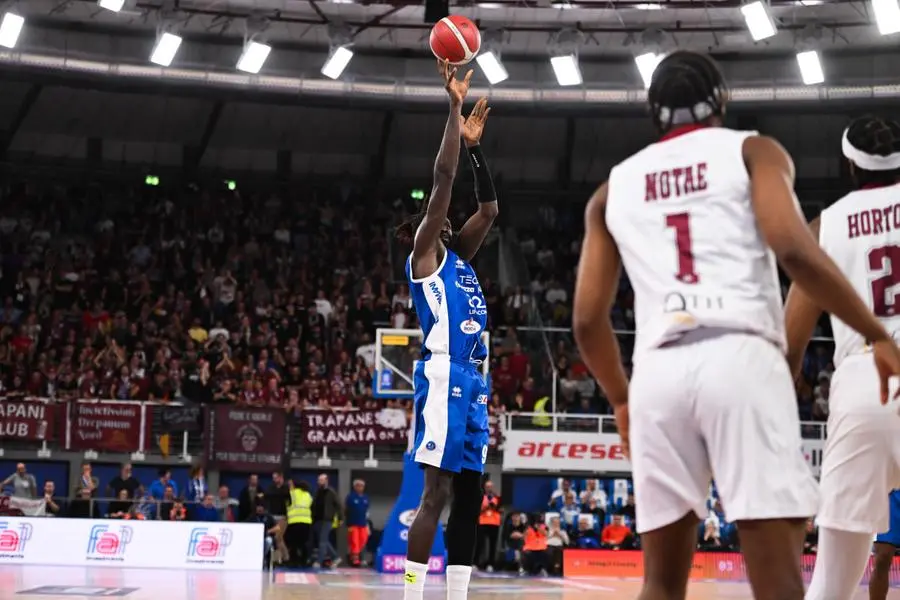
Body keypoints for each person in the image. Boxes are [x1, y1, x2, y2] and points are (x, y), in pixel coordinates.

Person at [571, 50, 900, 600]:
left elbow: (585, 321)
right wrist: (877, 333)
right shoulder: (753, 150)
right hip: (741, 354)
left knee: (660, 583)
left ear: (652, 114)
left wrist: (622, 400)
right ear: (721, 100)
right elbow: (792, 248)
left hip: (657, 372)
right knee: (777, 578)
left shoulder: (612, 188)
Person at [781, 115, 900, 600]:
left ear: (848, 165)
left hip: (864, 384)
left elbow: (791, 345)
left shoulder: (824, 227)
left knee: (832, 581)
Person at [396, 58, 498, 600]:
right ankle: (414, 595)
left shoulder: (460, 257)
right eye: (436, 217)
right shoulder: (426, 256)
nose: (444, 218)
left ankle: (456, 594)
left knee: (471, 492)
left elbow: (490, 207)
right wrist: (453, 109)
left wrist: (476, 145)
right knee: (434, 493)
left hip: (475, 381)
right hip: (442, 376)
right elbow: (443, 180)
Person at [285, 479, 313, 566]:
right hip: (306, 521)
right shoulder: (308, 494)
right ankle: (304, 561)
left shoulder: (291, 494)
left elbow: (286, 505)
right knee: (304, 543)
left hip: (294, 521)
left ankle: (294, 561)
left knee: (293, 543)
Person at [476, 479, 501, 572]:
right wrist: (485, 507)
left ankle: (490, 564)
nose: (489, 488)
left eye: (491, 486)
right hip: (483, 522)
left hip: (494, 523)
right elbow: (477, 510)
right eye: (487, 486)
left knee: (493, 545)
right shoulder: (481, 497)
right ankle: (476, 563)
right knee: (479, 544)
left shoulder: (498, 498)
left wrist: (495, 507)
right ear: (485, 487)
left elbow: (501, 509)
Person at [345, 479, 370, 567]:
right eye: (358, 485)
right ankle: (355, 558)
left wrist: (367, 525)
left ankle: (353, 555)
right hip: (353, 523)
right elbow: (347, 511)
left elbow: (367, 512)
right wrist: (348, 523)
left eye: (362, 486)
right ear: (355, 486)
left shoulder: (365, 498)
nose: (360, 487)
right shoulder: (350, 497)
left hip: (363, 523)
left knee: (363, 540)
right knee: (354, 541)